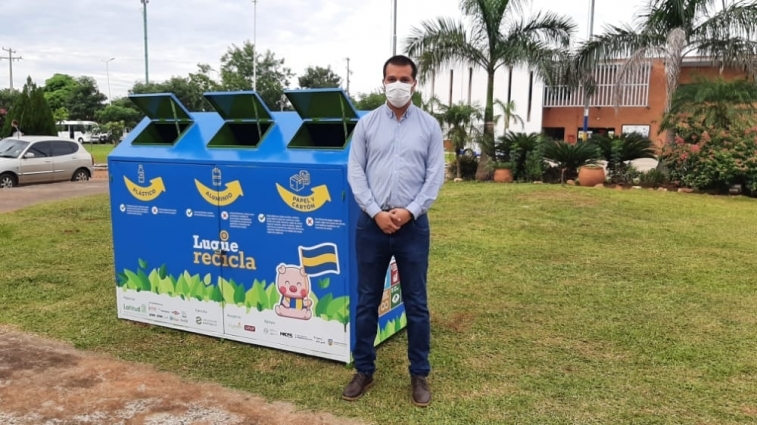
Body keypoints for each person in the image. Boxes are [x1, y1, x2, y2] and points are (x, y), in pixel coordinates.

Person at [344, 54, 445, 407]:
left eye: (404, 79)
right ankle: (363, 370)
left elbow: (435, 175)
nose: (398, 85)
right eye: (392, 79)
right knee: (367, 301)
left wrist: (409, 211)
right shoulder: (367, 125)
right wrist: (376, 212)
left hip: (412, 227)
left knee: (416, 303)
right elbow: (355, 172)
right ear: (383, 82)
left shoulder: (429, 126)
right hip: (371, 226)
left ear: (414, 83)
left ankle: (419, 374)